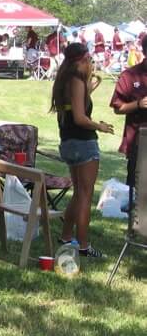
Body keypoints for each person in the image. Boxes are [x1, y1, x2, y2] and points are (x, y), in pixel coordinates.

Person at [50, 42, 113, 258]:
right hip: (83, 142)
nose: (92, 64)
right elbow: (80, 118)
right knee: (85, 195)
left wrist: (90, 86)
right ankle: (84, 246)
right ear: (84, 59)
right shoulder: (76, 79)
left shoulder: (65, 79)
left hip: (68, 142)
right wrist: (100, 126)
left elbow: (73, 105)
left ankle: (66, 236)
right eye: (91, 60)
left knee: (78, 193)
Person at [110, 33, 147, 189]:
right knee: (138, 192)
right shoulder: (130, 75)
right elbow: (118, 108)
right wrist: (138, 104)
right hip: (139, 142)